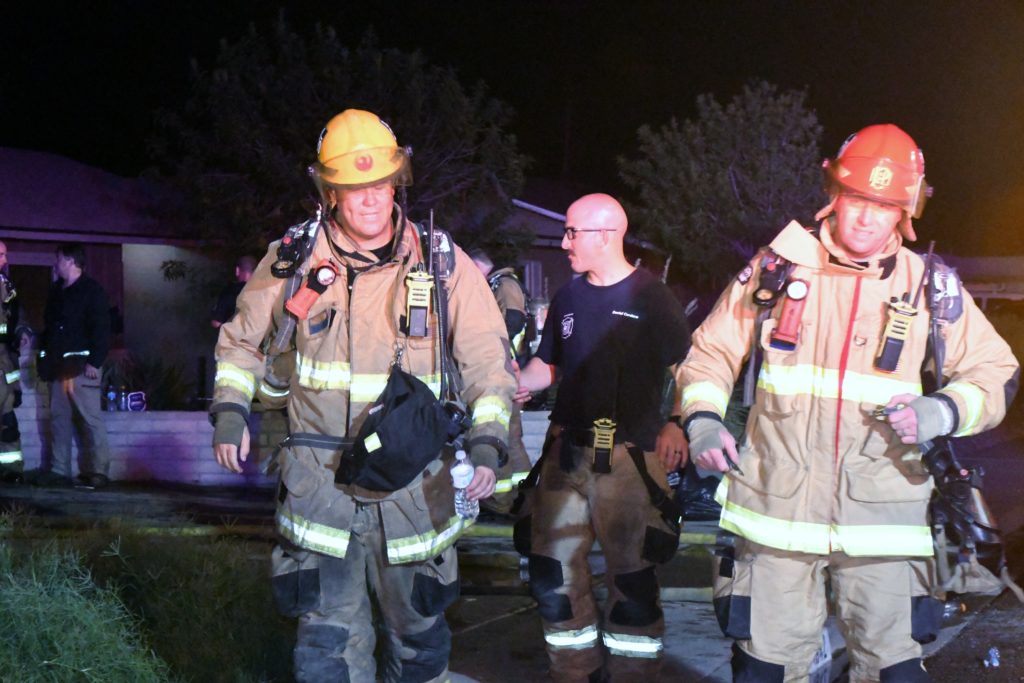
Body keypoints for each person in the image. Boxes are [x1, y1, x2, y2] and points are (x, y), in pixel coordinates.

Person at [677, 124, 1019, 681]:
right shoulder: (776, 268)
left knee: (894, 672)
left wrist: (942, 411)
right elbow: (710, 352)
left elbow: (996, 373)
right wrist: (704, 422)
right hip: (776, 518)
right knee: (765, 671)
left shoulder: (929, 287)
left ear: (905, 213)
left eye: (883, 206)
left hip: (883, 525)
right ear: (833, 194)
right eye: (857, 199)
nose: (866, 218)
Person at [210, 108, 516, 682]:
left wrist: (487, 442)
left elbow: (487, 362)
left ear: (397, 182)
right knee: (326, 646)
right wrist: (229, 412)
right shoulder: (293, 259)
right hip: (319, 488)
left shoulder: (442, 263)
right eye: (355, 188)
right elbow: (241, 342)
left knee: (419, 642)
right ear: (330, 193)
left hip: (413, 490)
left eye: (381, 183)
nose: (371, 198)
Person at [515, 193, 691, 682]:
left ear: (608, 235)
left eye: (573, 232)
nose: (564, 241)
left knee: (632, 582)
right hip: (565, 454)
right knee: (551, 576)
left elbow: (689, 368)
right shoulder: (568, 297)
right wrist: (516, 381)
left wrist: (677, 422)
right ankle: (574, 672)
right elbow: (549, 364)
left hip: (630, 459)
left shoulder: (652, 297)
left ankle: (634, 675)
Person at [34, 243, 113, 489]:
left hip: (82, 367)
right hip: (60, 367)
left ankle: (98, 472)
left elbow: (102, 329)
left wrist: (94, 362)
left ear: (69, 260)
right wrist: (43, 357)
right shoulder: (57, 291)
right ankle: (60, 470)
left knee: (90, 419)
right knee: (60, 419)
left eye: (58, 259)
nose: (55, 264)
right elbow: (50, 328)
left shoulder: (92, 291)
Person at [469, 247, 534, 515]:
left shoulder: (503, 284)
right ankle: (521, 498)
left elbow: (513, 321)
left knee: (503, 437)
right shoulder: (499, 284)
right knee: (511, 438)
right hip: (505, 370)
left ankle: (502, 502)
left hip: (501, 371)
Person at [0, 240, 24, 483]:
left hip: (5, 362)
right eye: (0, 255)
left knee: (7, 420)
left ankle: (11, 470)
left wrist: (21, 332)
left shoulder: (7, 285)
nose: (5, 260)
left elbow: (16, 317)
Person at [210, 255, 256, 328]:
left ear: (237, 270)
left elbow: (216, 323)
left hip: (234, 334)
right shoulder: (261, 291)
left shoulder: (230, 291)